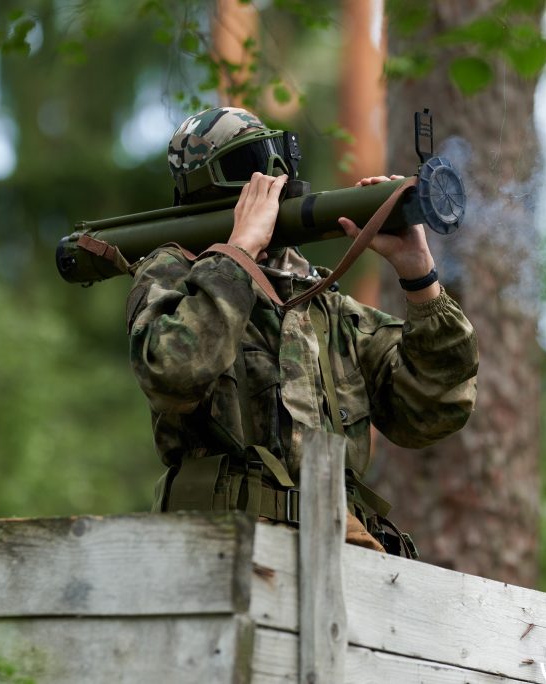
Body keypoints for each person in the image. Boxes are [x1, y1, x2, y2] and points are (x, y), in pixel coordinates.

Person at [126, 106, 478, 554]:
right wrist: (238, 254)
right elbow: (173, 370)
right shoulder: (173, 276)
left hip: (339, 553)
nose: (273, 176)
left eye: (279, 157)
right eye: (249, 165)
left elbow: (437, 409)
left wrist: (419, 274)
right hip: (219, 548)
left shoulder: (327, 309)